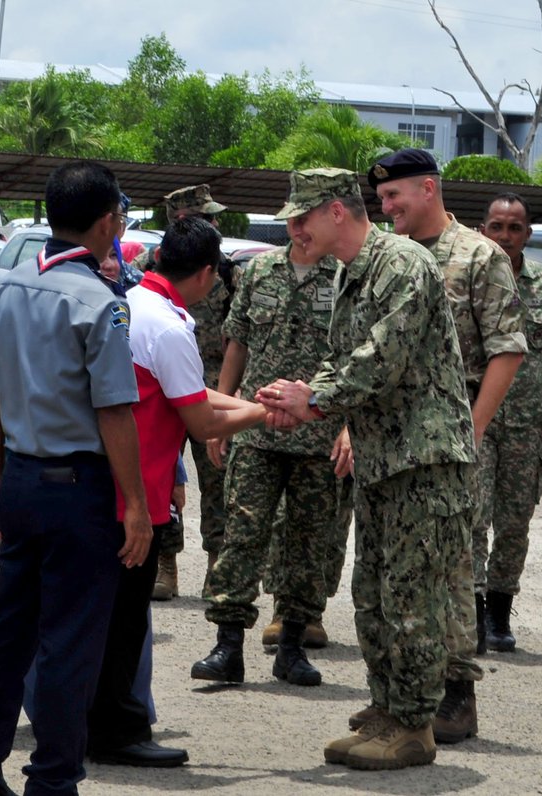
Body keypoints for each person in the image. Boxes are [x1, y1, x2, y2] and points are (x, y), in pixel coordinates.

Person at [258, 167, 476, 770]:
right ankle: (386, 710)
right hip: (385, 459)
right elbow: (346, 367)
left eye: (301, 218)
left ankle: (414, 725)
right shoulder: (351, 276)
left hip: (424, 460)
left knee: (413, 598)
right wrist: (300, 402)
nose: (293, 230)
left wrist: (315, 398)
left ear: (335, 212)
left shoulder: (402, 263)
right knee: (373, 595)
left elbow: (383, 355)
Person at [0, 161, 153, 796]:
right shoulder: (100, 302)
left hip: (24, 480)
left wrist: (0, 475)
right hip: (78, 488)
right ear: (106, 222)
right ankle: (53, 781)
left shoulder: (6, 288)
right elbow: (115, 411)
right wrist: (137, 505)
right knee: (69, 643)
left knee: (7, 630)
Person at [89, 215, 267, 767]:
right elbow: (202, 422)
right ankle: (117, 733)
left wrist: (252, 405)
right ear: (209, 273)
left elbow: (194, 396)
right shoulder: (169, 325)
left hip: (110, 481)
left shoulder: (134, 302)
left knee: (105, 616)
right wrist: (267, 413)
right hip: (134, 491)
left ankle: (100, 723)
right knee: (123, 622)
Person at [369, 148, 525, 744]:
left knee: (455, 562)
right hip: (391, 437)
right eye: (380, 201)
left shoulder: (478, 256)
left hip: (451, 432)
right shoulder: (385, 257)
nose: (386, 209)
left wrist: (473, 427)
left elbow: (507, 349)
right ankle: (402, 696)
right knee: (394, 566)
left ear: (428, 189)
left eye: (394, 197)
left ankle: (455, 698)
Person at [192, 239, 344, 687]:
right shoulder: (260, 271)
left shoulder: (344, 276)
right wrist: (221, 418)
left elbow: (355, 358)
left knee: (309, 542)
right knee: (242, 532)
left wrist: (346, 424)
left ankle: (293, 644)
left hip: (316, 432)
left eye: (305, 218)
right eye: (292, 220)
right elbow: (237, 343)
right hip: (256, 432)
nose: (298, 228)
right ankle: (228, 645)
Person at [475, 192, 542, 651]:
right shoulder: (466, 277)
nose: (505, 236)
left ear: (528, 234)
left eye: (515, 228)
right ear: (482, 230)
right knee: (471, 516)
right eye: (497, 226)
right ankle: (472, 607)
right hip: (475, 418)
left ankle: (499, 609)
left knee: (514, 521)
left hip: (525, 426)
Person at [134, 184, 230, 601]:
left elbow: (238, 333)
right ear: (177, 219)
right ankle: (164, 563)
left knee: (218, 480)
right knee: (160, 477)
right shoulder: (143, 268)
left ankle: (217, 563)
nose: (212, 223)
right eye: (202, 216)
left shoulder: (224, 270)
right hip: (159, 387)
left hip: (208, 385)